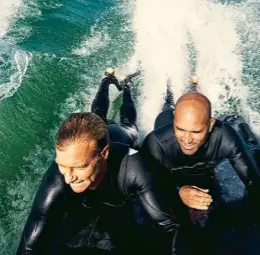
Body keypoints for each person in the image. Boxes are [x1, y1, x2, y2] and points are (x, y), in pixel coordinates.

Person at [17, 69, 192, 255]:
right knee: (96, 116)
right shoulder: (59, 173)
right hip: (94, 139)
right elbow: (37, 222)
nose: (68, 178)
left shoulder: (132, 166)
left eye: (79, 167)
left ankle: (127, 88)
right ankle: (106, 81)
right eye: (62, 166)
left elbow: (168, 225)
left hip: (121, 134)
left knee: (129, 123)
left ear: (105, 153)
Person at [141, 79, 260, 255]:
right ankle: (169, 92)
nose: (187, 140)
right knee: (166, 107)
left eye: (196, 132)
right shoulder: (155, 143)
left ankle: (193, 85)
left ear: (211, 124)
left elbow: (253, 180)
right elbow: (148, 186)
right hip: (170, 159)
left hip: (204, 175)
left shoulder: (225, 137)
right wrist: (178, 191)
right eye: (180, 129)